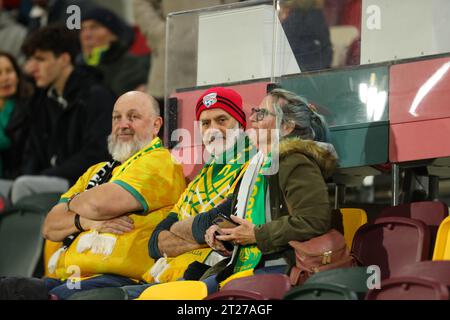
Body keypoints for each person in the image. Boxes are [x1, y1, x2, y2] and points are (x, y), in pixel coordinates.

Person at [68, 86, 253, 300]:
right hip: (169, 277)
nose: (213, 129)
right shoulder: (202, 176)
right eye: (205, 123)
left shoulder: (251, 165)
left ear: (240, 123)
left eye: (222, 120)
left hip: (211, 279)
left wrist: (178, 230)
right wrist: (201, 234)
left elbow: (220, 223)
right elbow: (156, 242)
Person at [41, 91, 186, 299]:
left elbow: (98, 205)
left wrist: (73, 203)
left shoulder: (160, 162)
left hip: (117, 281)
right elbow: (50, 226)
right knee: (12, 289)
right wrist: (86, 222)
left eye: (133, 117)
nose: (123, 124)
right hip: (71, 278)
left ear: (156, 125)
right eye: (117, 117)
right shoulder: (98, 170)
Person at [198, 88, 342, 293]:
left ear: (286, 126)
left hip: (279, 269)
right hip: (245, 268)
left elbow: (314, 220)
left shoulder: (295, 161)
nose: (252, 117)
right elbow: (255, 222)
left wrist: (256, 235)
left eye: (262, 113)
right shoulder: (254, 165)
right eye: (255, 110)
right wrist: (228, 236)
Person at [0, 24, 115, 205]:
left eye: (40, 59)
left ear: (63, 59)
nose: (32, 67)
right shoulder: (43, 99)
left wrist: (44, 175)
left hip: (82, 183)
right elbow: (33, 153)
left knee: (24, 186)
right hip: (49, 178)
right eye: (32, 59)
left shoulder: (95, 96)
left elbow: (97, 154)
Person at [77, 6, 150, 97]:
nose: (86, 35)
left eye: (94, 27)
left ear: (114, 35)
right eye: (82, 29)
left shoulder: (134, 67)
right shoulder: (76, 70)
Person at [0, 51, 33, 183]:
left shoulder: (30, 107)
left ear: (18, 76)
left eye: (9, 71)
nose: (5, 78)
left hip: (16, 178)